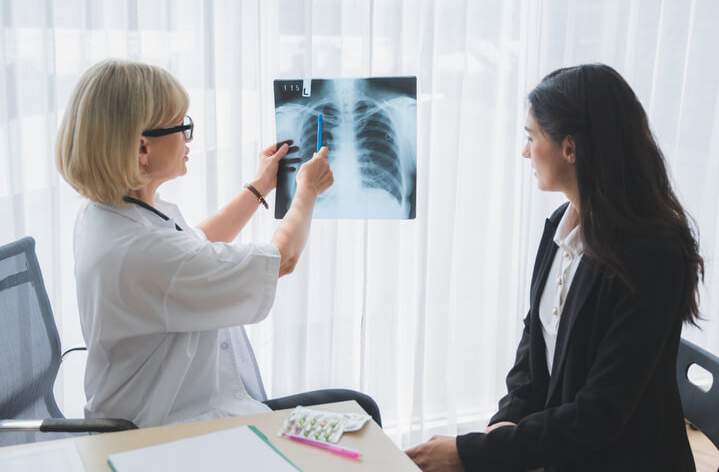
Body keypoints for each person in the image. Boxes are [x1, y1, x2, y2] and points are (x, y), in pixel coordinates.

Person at [406, 64, 703, 471]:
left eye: (531, 137)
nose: (525, 151)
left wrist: (475, 452)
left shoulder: (653, 256)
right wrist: (506, 423)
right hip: (561, 452)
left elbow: (600, 413)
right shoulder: (562, 225)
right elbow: (534, 348)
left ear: (570, 148)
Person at [55, 59, 381, 428]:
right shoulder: (144, 252)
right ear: (142, 148)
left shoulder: (105, 215)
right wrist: (307, 191)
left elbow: (194, 245)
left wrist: (260, 187)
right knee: (362, 414)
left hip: (169, 413)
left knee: (357, 407)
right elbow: (283, 259)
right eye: (182, 126)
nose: (189, 139)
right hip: (169, 434)